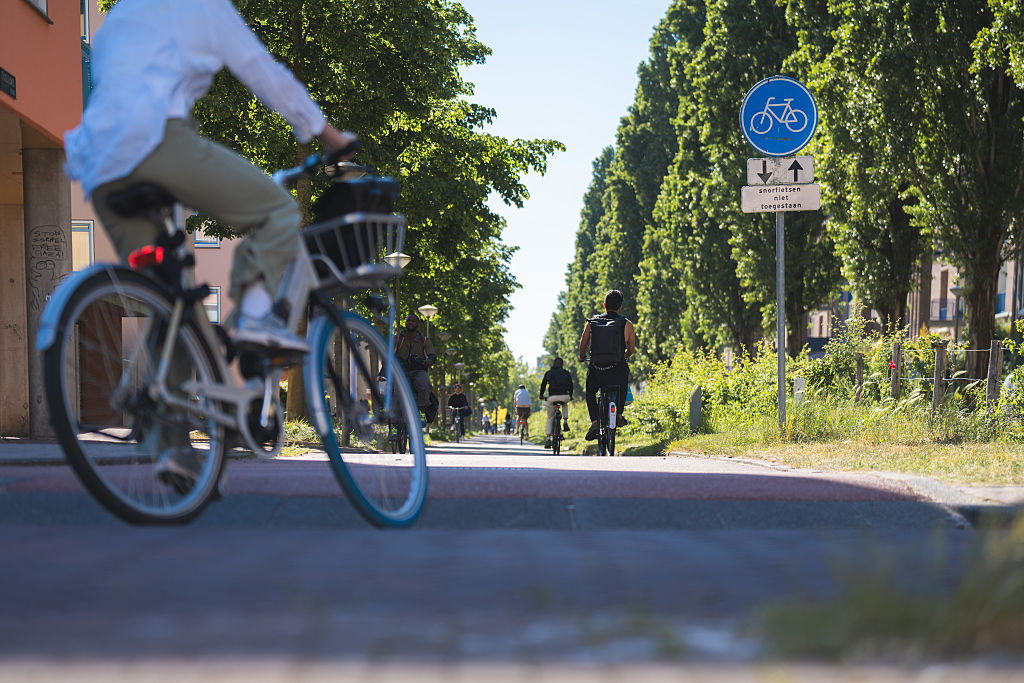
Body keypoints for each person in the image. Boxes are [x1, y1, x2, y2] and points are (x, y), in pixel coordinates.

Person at [63, 0, 357, 493]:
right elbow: (264, 73)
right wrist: (330, 136)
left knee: (172, 302)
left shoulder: (122, 14)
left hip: (100, 164)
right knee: (278, 211)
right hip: (156, 138)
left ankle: (172, 448)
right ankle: (255, 321)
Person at [578, 290, 636, 441]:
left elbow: (583, 343)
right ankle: (619, 415)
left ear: (604, 305)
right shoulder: (627, 324)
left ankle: (594, 423)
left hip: (597, 370)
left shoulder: (592, 322)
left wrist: (582, 356)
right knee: (623, 385)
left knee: (590, 393)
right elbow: (631, 349)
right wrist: (623, 356)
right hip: (616, 370)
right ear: (620, 306)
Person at [395, 313, 437, 414]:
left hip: (418, 370)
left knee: (424, 385)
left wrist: (430, 360)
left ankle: (422, 410)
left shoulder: (424, 340)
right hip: (401, 370)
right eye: (408, 321)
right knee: (393, 388)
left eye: (413, 321)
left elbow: (432, 354)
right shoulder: (398, 338)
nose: (410, 323)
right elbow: (388, 352)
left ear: (418, 324)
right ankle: (395, 416)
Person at [539, 357, 574, 448]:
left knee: (550, 417)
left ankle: (548, 439)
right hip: (565, 396)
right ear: (562, 365)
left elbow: (543, 385)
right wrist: (570, 395)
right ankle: (565, 422)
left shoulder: (549, 373)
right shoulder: (566, 373)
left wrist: (541, 395)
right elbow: (571, 385)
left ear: (553, 364)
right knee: (565, 404)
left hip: (552, 397)